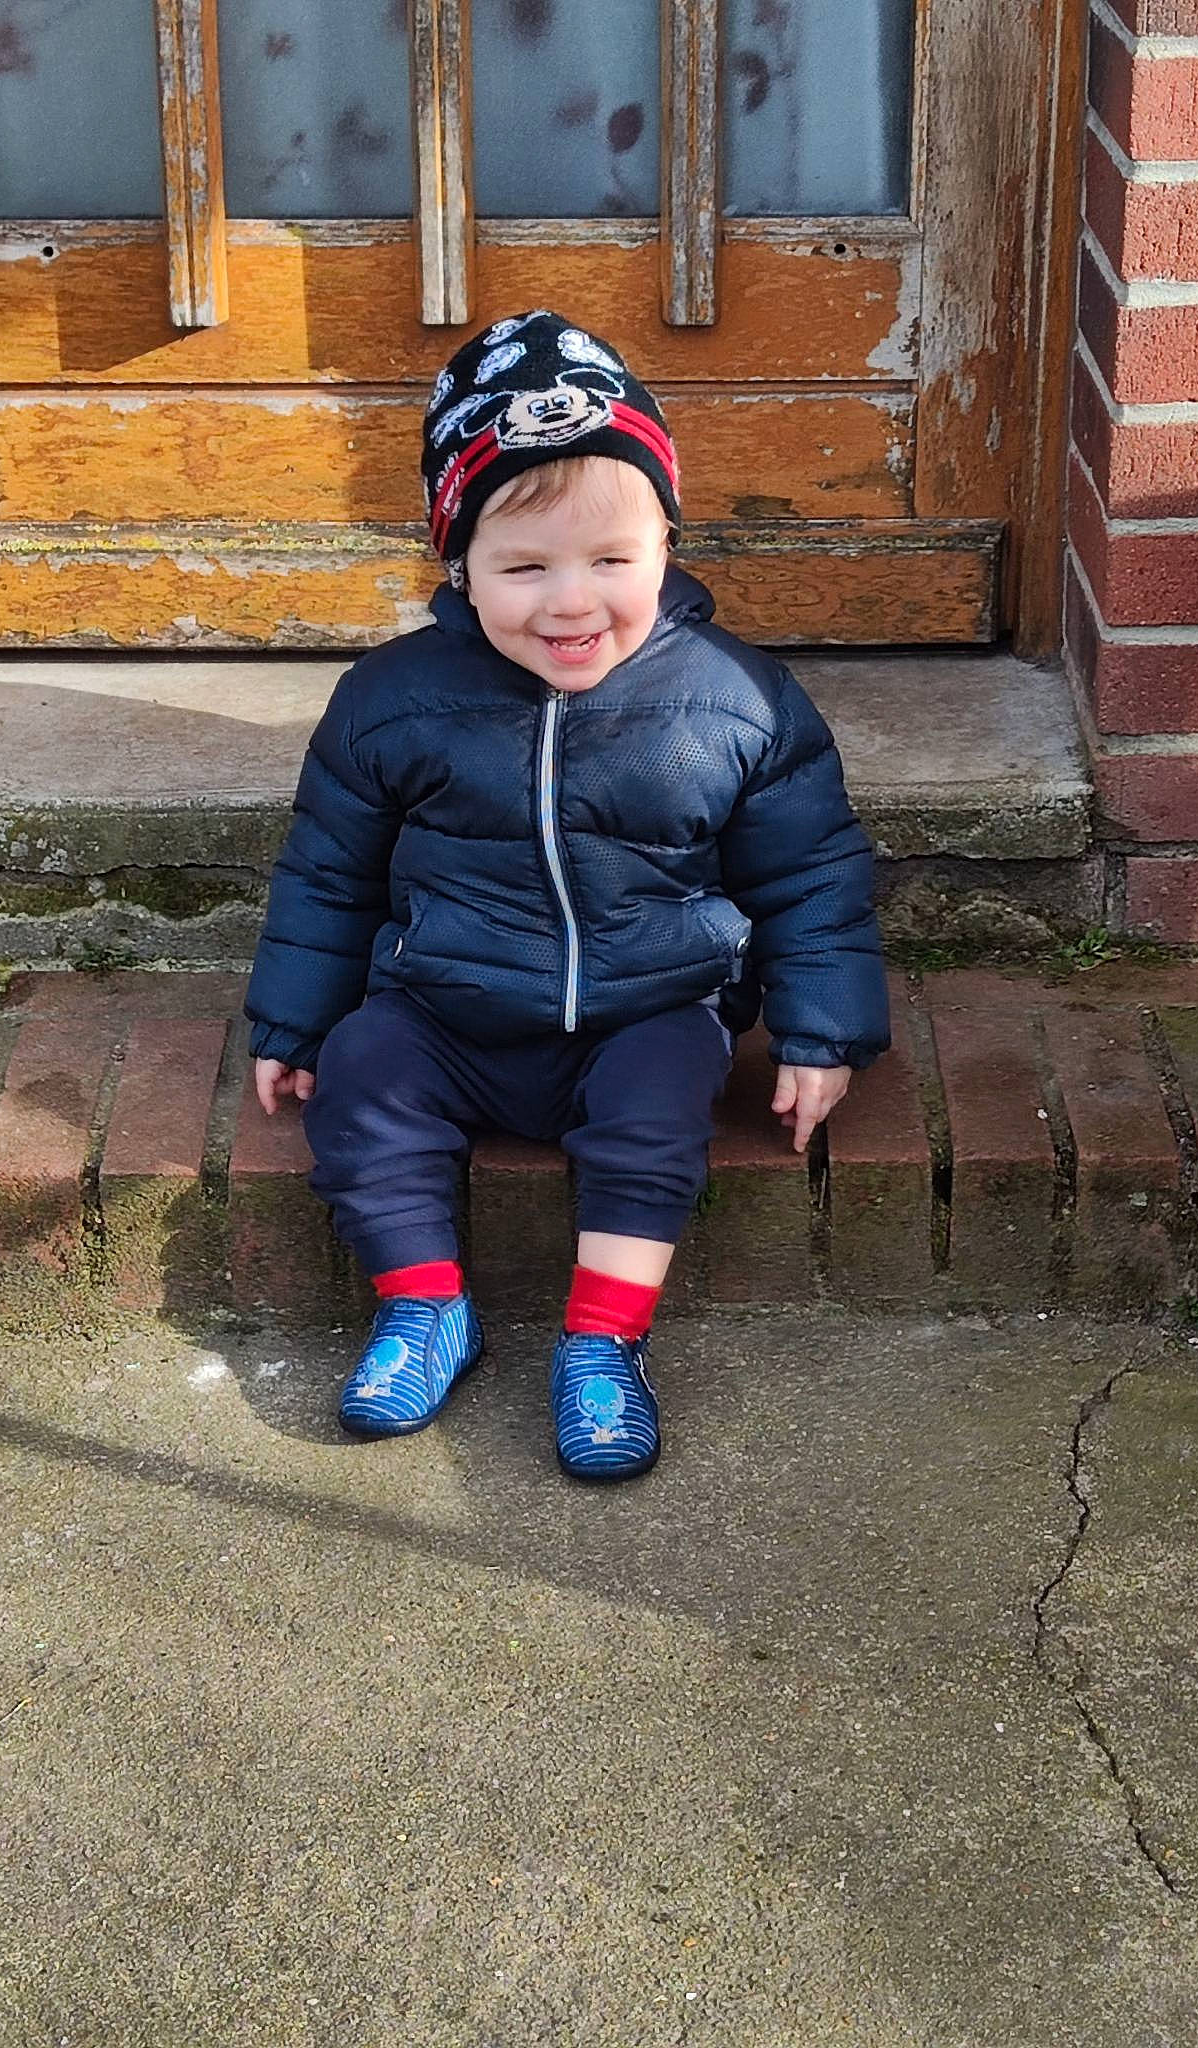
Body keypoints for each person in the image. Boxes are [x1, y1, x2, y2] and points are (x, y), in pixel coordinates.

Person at [245, 310, 889, 1481]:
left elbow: (812, 873)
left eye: (612, 561)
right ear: (458, 563)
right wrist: (294, 1024)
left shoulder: (736, 697)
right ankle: (424, 1305)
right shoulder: (393, 699)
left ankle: (602, 1341)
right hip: (447, 1006)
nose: (571, 602)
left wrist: (821, 1031)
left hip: (653, 1001)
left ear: (667, 545)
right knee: (364, 1080)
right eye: (524, 567)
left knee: (658, 1111)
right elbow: (328, 871)